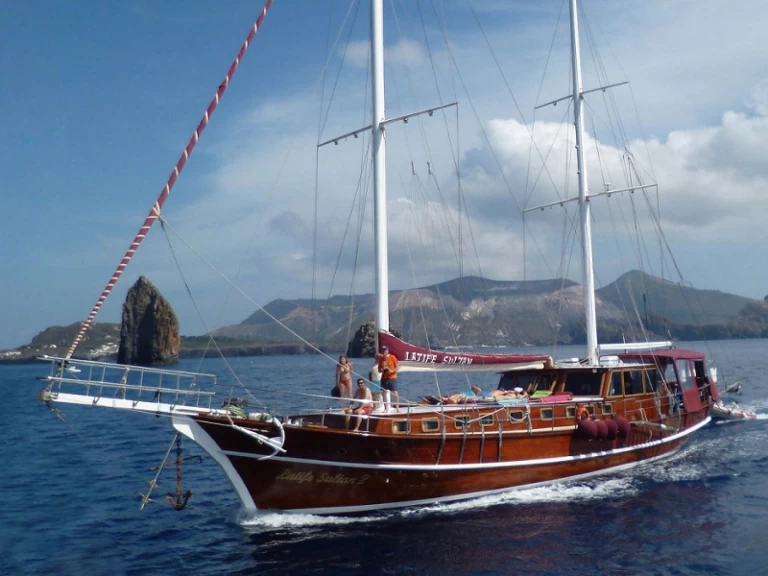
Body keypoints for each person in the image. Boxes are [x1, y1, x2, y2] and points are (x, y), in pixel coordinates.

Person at [378, 346, 399, 412]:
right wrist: (382, 369)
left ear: (387, 351)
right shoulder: (381, 359)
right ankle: (385, 408)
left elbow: (397, 367)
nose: (384, 352)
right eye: (383, 351)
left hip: (392, 377)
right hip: (384, 377)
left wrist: (392, 371)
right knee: (383, 392)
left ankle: (397, 407)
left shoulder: (392, 357)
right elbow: (379, 370)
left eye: (385, 350)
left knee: (394, 392)